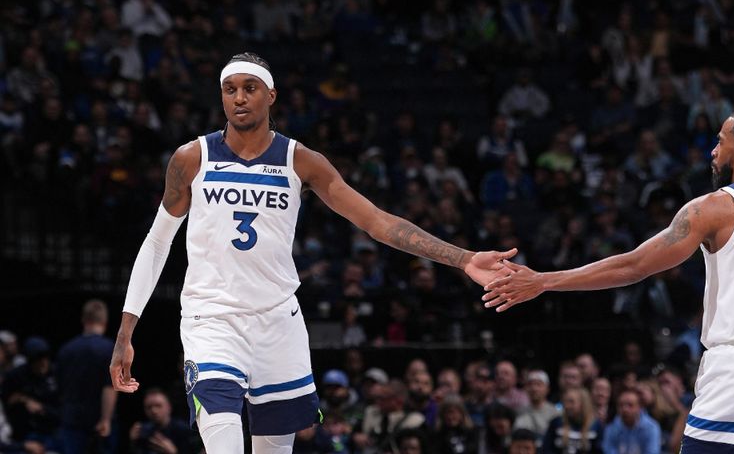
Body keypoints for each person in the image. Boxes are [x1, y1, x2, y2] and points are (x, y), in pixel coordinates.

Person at [110, 52, 514, 454]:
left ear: (271, 95)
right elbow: (157, 242)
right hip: (211, 318)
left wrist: (462, 258)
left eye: (249, 89)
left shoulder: (300, 160)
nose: (239, 98)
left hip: (277, 322)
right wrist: (127, 330)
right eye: (230, 90)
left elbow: (375, 221)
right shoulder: (192, 158)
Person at [484, 109, 734, 453]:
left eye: (721, 142)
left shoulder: (715, 208)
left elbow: (635, 266)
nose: (713, 150)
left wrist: (544, 281)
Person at [56, 299, 117, 454]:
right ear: (104, 321)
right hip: (98, 421)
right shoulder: (110, 349)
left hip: (72, 420)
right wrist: (106, 419)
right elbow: (110, 386)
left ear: (83, 319)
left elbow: (60, 386)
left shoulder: (65, 350)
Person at [601, 390, 660, 454]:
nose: (625, 409)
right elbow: (609, 451)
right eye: (621, 405)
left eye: (630, 405)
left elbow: (651, 452)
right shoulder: (611, 428)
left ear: (639, 408)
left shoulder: (651, 428)